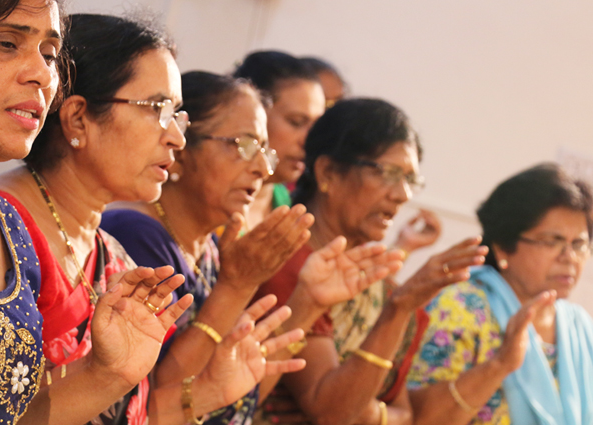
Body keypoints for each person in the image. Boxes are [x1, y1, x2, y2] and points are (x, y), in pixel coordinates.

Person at [0, 13, 306, 425]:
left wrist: (208, 392)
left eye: (178, 115)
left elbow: (127, 413)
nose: (176, 136)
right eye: (157, 108)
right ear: (79, 118)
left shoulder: (112, 254)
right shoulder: (0, 231)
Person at [102, 71, 406, 425]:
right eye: (244, 146)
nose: (262, 168)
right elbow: (155, 403)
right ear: (181, 151)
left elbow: (239, 400)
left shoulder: (211, 250)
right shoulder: (138, 235)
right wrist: (237, 286)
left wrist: (308, 303)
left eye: (265, 151)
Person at [0, 2, 187, 424]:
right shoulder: (28, 221)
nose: (43, 76)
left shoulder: (8, 228)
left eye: (49, 54)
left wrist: (106, 375)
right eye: (7, 43)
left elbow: (9, 416)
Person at [254, 98, 487, 425]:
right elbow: (331, 412)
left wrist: (368, 413)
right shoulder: (288, 263)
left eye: (410, 179)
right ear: (328, 172)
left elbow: (405, 414)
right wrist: (398, 310)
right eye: (389, 173)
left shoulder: (377, 283)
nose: (403, 194)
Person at [407, 163, 593, 425]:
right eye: (552, 241)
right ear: (503, 248)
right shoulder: (460, 308)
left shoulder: (580, 326)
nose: (569, 257)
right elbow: (419, 418)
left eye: (579, 244)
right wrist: (500, 365)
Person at [233, 50, 326, 228]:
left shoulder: (286, 206)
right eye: (296, 122)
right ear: (254, 112)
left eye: (316, 127)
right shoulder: (213, 197)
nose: (309, 141)